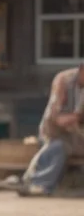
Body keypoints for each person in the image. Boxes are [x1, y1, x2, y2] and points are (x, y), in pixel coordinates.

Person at [19, 64, 84, 196]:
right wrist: (74, 117)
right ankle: (38, 183)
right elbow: (55, 117)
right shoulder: (63, 80)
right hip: (59, 133)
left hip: (80, 135)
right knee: (58, 147)